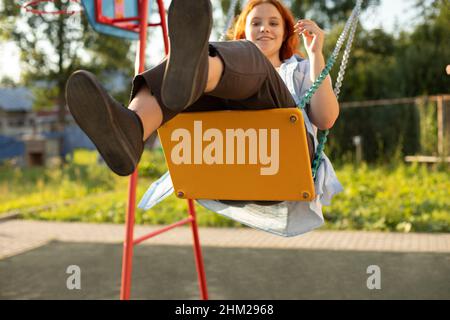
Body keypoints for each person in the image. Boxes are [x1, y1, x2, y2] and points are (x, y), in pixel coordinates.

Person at [65, 0, 339, 178]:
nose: (264, 29)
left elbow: (325, 119)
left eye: (273, 23)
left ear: (287, 31)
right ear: (243, 31)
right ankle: (133, 128)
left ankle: (197, 77)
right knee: (181, 67)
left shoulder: (302, 68)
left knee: (219, 63)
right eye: (255, 23)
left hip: (283, 160)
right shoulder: (230, 55)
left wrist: (316, 55)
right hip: (225, 161)